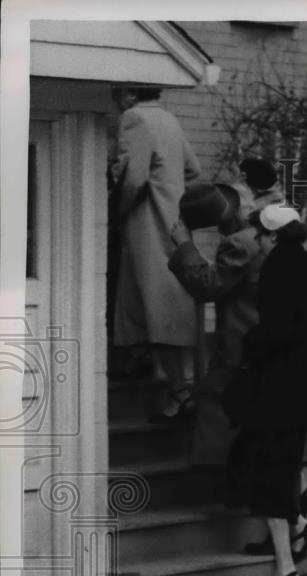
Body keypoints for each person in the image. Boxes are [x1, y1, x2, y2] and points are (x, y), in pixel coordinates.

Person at [227, 204, 307, 576]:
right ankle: (290, 562)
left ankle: (289, 563)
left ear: (273, 236)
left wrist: (249, 343)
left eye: (260, 235)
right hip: (306, 393)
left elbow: (276, 332)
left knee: (264, 473)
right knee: (268, 472)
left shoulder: (278, 269)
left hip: (280, 393)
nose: (257, 241)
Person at [109, 86, 201, 421]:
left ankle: (179, 391)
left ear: (129, 96)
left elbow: (133, 178)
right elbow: (193, 170)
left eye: (116, 96)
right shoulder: (169, 119)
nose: (115, 103)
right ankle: (158, 371)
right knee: (160, 300)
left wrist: (115, 212)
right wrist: (171, 189)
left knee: (154, 303)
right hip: (172, 221)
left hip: (147, 223)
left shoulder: (134, 119)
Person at [167, 182, 263, 467]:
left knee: (216, 403)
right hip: (264, 341)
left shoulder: (239, 243)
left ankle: (221, 479)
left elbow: (206, 286)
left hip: (244, 343)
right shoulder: (264, 236)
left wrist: (185, 245)